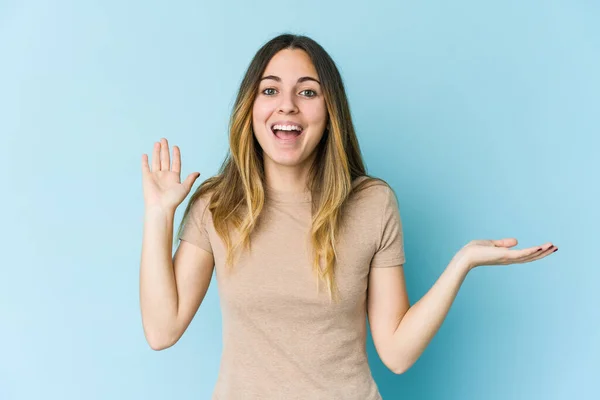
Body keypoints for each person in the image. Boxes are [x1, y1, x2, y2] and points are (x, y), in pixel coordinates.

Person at [139, 33, 557, 399]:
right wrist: (159, 215)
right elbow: (162, 330)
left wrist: (462, 262)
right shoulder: (218, 205)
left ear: (329, 110)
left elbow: (396, 353)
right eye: (269, 91)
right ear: (250, 108)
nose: (287, 106)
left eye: (307, 92)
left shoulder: (372, 203)